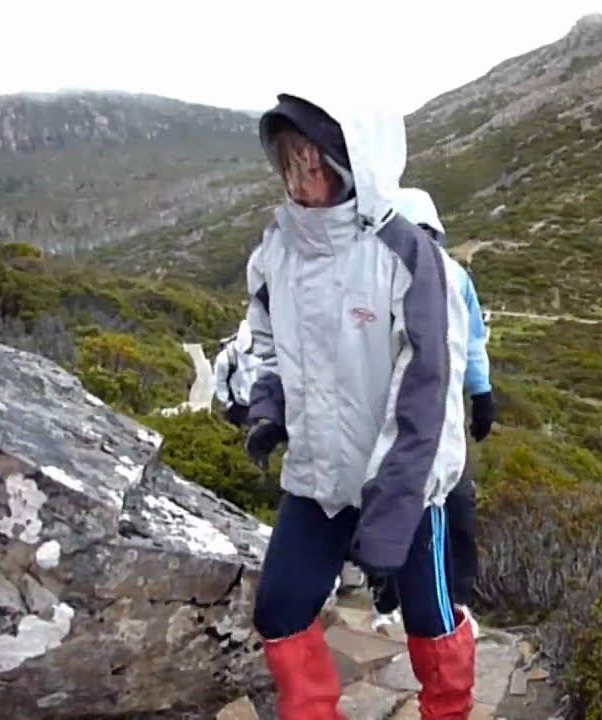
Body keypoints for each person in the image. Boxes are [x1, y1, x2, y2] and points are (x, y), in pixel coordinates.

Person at [243, 91, 475, 720]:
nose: (299, 180)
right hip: (318, 475)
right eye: (289, 163)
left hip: (405, 480)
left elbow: (425, 387)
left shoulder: (405, 255)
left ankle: (447, 712)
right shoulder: (276, 252)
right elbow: (264, 341)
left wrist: (390, 506)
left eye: (313, 163)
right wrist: (266, 404)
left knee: (427, 615)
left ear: (351, 164)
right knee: (281, 609)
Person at [369, 188, 493, 641]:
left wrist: (482, 393)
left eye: (427, 233)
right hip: (384, 416)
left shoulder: (456, 278)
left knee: (458, 508)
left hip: (445, 418)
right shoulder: (375, 277)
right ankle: (384, 602)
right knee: (384, 504)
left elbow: (473, 339)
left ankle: (458, 603)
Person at [212, 318, 258, 426]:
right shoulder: (226, 359)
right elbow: (219, 383)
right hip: (239, 407)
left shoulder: (262, 351)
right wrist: (227, 403)